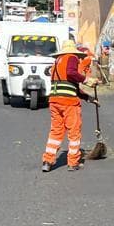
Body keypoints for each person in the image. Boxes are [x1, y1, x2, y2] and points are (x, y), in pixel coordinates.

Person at [41, 40, 87, 173]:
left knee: (56, 131)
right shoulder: (71, 58)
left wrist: (88, 98)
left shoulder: (57, 62)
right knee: (74, 132)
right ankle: (73, 162)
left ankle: (47, 161)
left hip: (54, 101)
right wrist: (86, 79)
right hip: (68, 102)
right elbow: (71, 73)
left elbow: (69, 84)